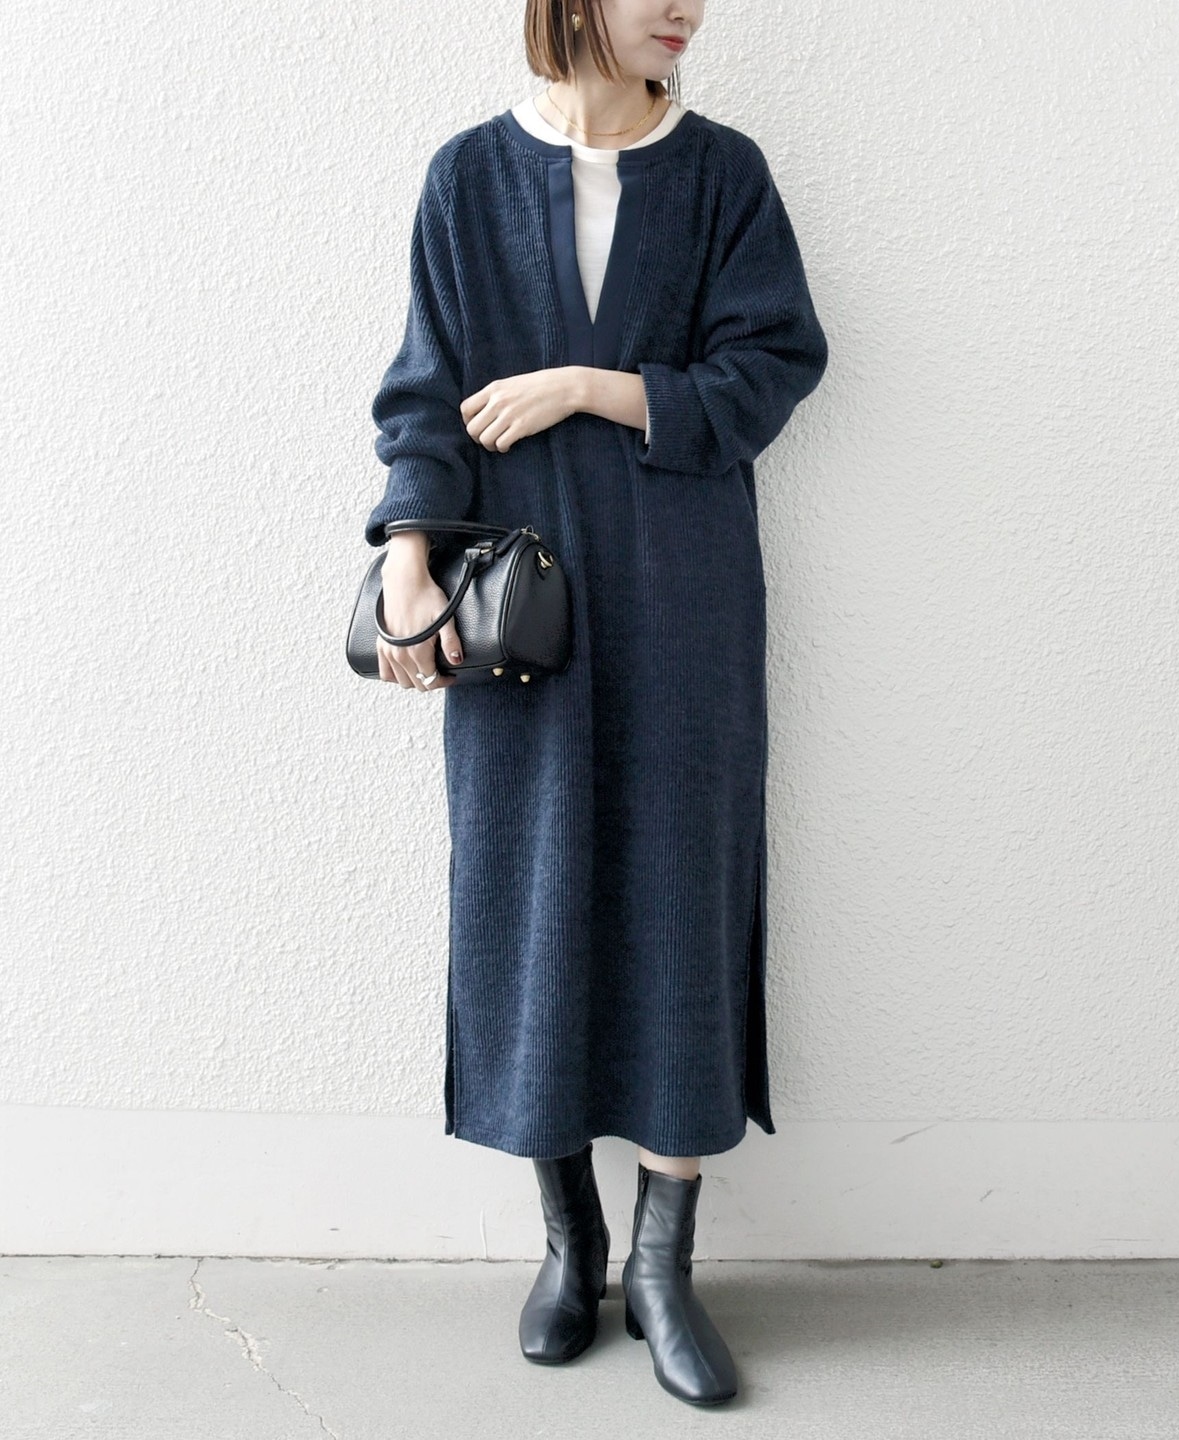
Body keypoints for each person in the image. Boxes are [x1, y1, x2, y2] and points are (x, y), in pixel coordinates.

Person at [364, 0, 828, 1408]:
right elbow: (426, 392)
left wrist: (590, 387)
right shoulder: (467, 176)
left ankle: (664, 1268)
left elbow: (775, 362)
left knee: (682, 893)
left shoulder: (724, 173)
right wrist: (406, 557)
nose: (686, 8)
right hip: (514, 608)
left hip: (685, 596)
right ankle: (570, 1244)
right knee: (531, 891)